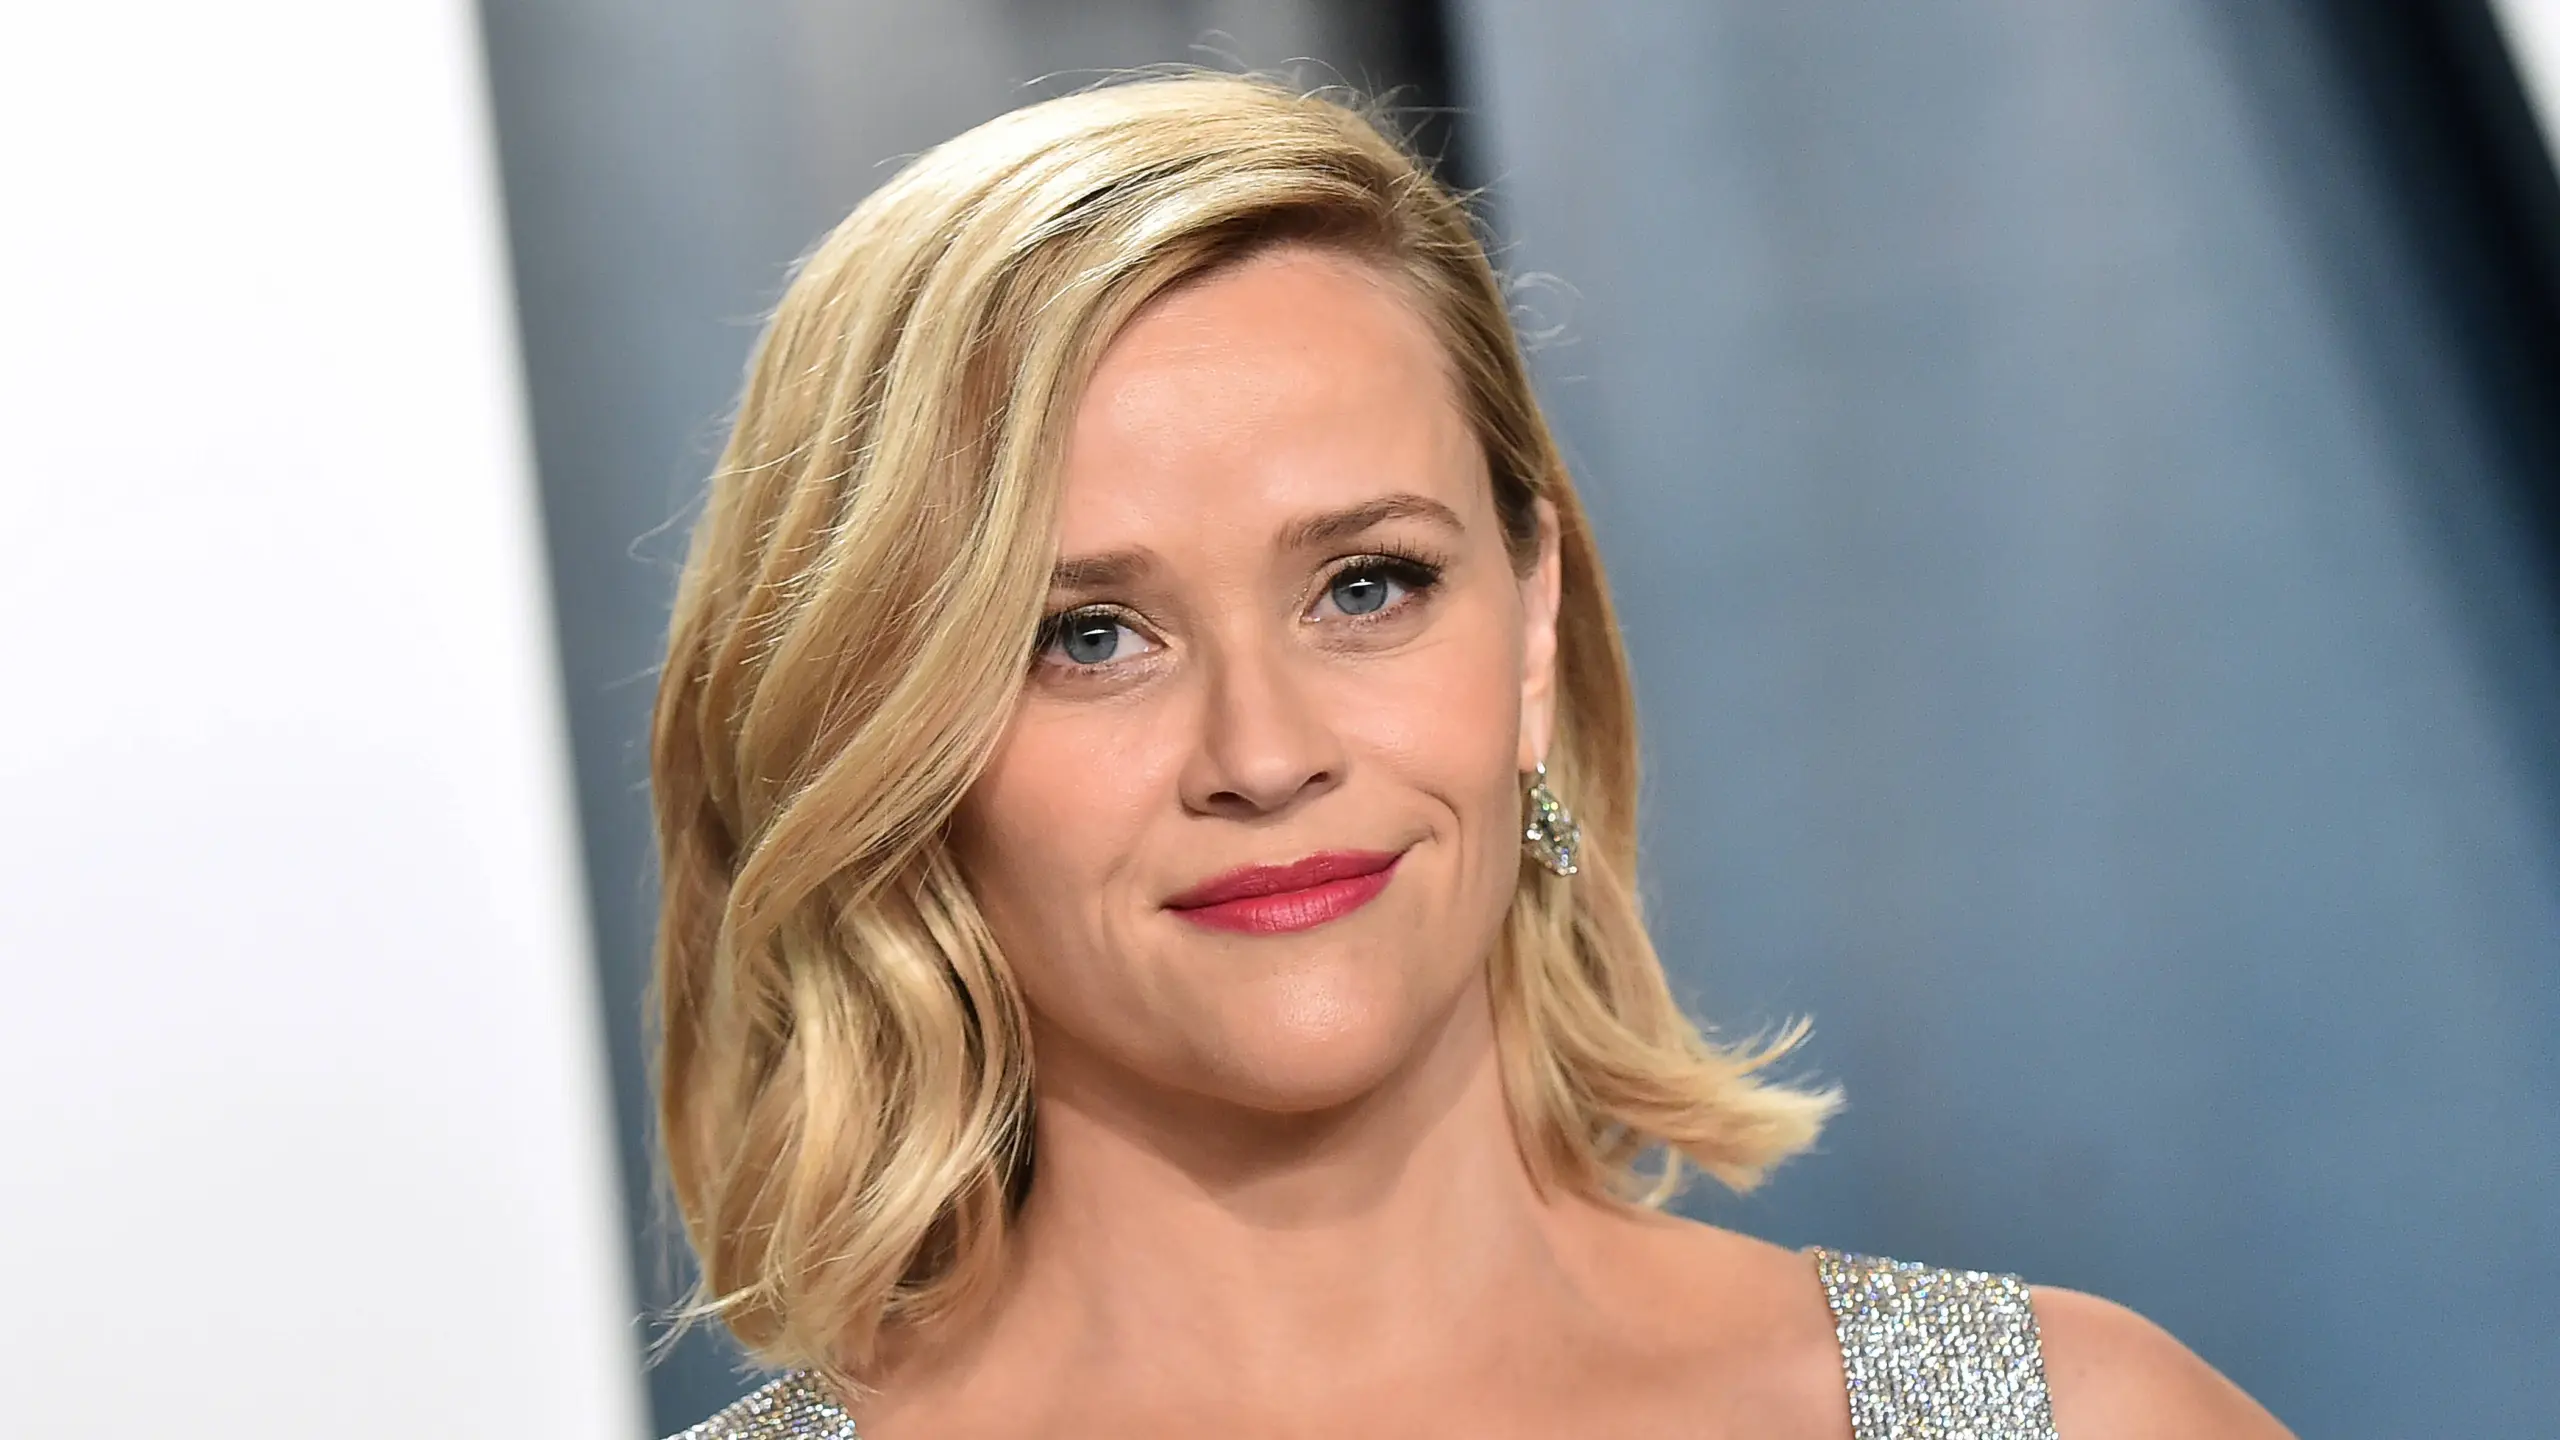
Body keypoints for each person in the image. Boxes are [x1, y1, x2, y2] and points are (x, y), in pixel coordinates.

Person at [645, 73, 2293, 1439]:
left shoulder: (2065, 1419)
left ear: (1531, 625)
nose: (1263, 754)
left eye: (1366, 587)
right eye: (1086, 636)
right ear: (884, 730)